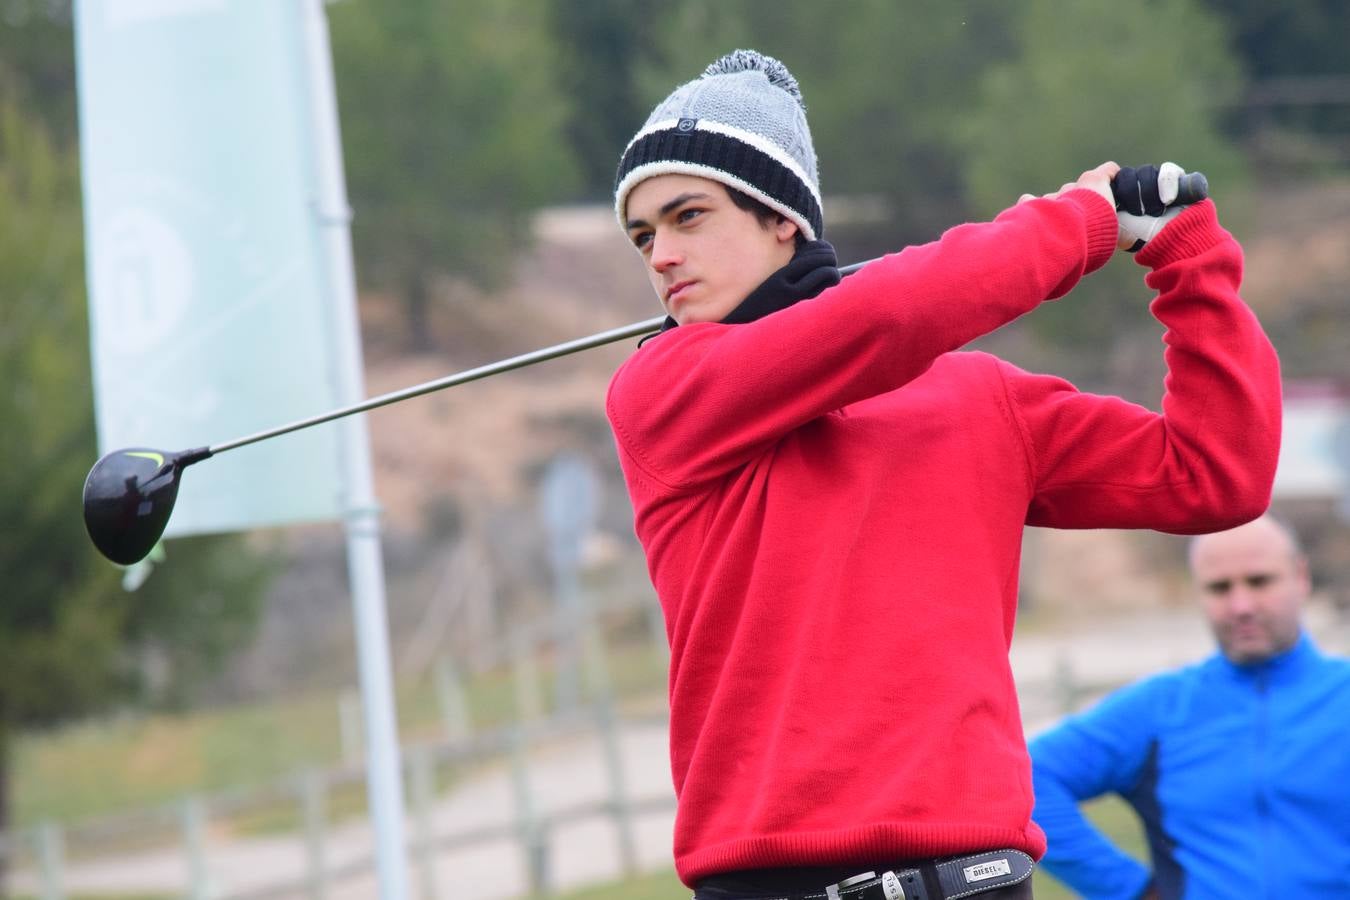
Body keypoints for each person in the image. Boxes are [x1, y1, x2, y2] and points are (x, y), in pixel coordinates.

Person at [603, 49, 1282, 900]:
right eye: (643, 236)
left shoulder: (980, 399)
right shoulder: (664, 390)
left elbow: (1217, 475)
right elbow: (888, 317)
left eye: (686, 216)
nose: (660, 255)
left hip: (981, 878)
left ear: (783, 218)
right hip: (773, 882)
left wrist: (1190, 261)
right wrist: (1077, 220)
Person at [1029, 516, 1350, 899]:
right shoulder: (1161, 708)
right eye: (1219, 588)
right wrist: (1130, 888)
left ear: (1300, 577)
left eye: (1259, 582)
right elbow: (1029, 778)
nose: (1241, 605)